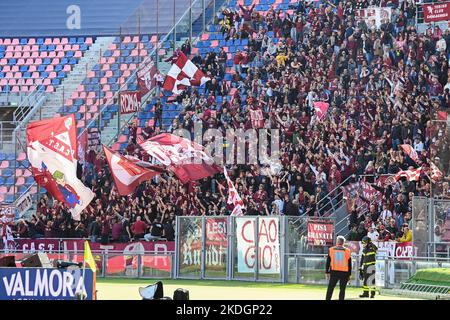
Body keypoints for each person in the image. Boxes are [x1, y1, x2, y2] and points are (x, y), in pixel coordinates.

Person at [325, 235, 352, 300]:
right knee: (342, 289)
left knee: (330, 288)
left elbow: (328, 261)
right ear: (343, 242)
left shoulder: (331, 250)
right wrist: (349, 274)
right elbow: (349, 264)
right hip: (344, 273)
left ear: (337, 241)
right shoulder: (348, 251)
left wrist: (327, 271)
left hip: (334, 272)